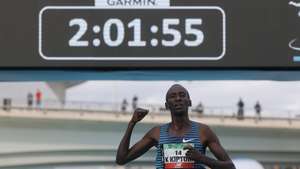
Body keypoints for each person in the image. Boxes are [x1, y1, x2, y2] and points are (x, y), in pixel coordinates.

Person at [116, 84, 235, 169]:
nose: (178, 98)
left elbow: (230, 166)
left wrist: (202, 159)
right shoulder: (157, 133)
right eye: (173, 96)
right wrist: (132, 123)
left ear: (189, 102)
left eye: (182, 95)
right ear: (167, 105)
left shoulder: (203, 131)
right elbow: (121, 159)